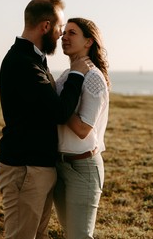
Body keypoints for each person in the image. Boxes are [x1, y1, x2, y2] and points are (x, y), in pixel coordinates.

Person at [0, 0, 92, 239]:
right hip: (24, 168)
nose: (61, 35)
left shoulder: (34, 59)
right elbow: (59, 112)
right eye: (60, 27)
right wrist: (77, 76)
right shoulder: (22, 63)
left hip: (37, 167)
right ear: (46, 26)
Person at [53, 18, 110, 238]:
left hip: (83, 167)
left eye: (72, 33)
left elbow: (83, 129)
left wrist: (58, 106)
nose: (64, 37)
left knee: (80, 236)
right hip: (60, 165)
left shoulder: (93, 77)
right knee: (70, 233)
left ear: (88, 41)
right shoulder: (67, 76)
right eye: (64, 32)